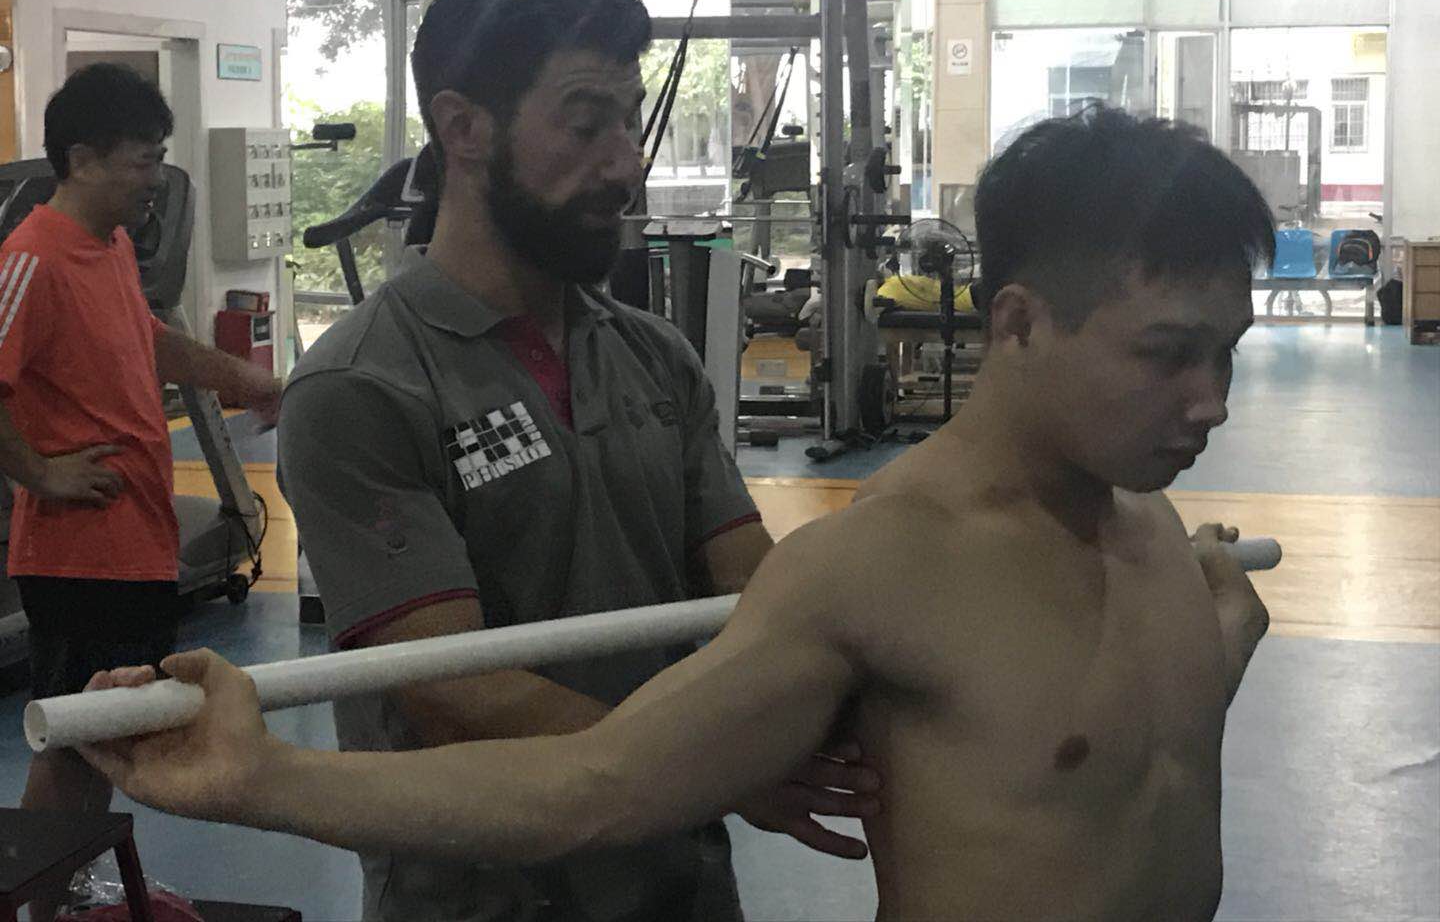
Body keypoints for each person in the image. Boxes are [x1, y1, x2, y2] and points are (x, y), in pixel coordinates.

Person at [84, 108, 1276, 919]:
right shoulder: (884, 569)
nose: (1209, 401)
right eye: (1167, 354)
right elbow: (589, 787)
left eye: (1226, 352)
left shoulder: (1163, 544)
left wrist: (1217, 643)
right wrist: (263, 778)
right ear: (1016, 322)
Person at [258, 0, 875, 921]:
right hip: (480, 902)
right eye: (586, 125)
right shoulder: (360, 389)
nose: (626, 163)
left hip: (680, 888)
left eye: (629, 121)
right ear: (464, 128)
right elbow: (452, 687)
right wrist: (715, 765)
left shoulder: (654, 356)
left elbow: (750, 591)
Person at [0, 63, 282, 920]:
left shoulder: (112, 246)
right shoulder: (32, 257)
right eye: (143, 160)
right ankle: (39, 897)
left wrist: (243, 377)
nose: (155, 178)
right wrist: (41, 472)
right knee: (80, 732)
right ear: (83, 159)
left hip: (136, 539)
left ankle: (66, 883)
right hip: (78, 552)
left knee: (109, 729)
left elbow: (149, 338)